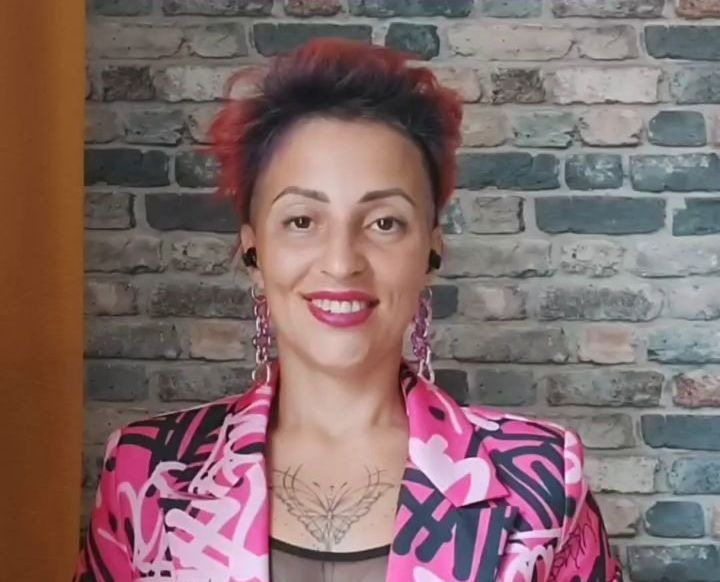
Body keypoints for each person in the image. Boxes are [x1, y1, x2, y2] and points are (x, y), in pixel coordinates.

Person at [74, 38, 622, 582]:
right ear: (253, 253)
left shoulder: (542, 481)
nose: (341, 263)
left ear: (431, 251)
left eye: (384, 223)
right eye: (301, 221)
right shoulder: (147, 473)